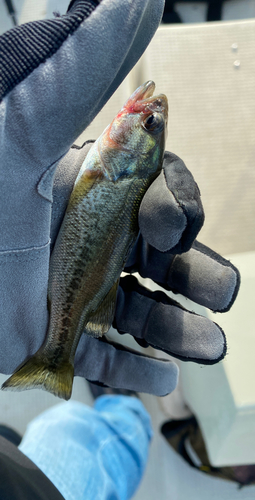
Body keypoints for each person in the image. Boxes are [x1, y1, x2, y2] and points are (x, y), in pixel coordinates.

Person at [0, 0, 240, 498]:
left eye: (150, 126)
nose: (149, 113)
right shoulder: (111, 164)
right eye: (153, 123)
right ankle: (111, 400)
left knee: (98, 440)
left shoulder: (110, 164)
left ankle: (70, 369)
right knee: (121, 434)